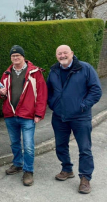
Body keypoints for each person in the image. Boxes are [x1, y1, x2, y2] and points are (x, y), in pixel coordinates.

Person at [47, 45, 102, 194]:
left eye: (65, 52)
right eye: (59, 53)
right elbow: (49, 91)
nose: (62, 55)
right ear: (56, 55)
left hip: (80, 117)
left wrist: (83, 105)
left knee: (84, 149)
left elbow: (96, 90)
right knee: (60, 145)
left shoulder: (85, 68)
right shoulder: (54, 71)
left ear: (72, 53)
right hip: (59, 117)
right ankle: (67, 169)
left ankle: (85, 178)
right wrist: (53, 104)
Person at [0, 45, 48, 186]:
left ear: (23, 57)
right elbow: (2, 93)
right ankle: (18, 164)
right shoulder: (6, 73)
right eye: (13, 56)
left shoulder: (35, 73)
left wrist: (39, 113)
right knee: (14, 143)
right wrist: (0, 93)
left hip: (28, 115)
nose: (15, 58)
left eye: (18, 55)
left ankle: (28, 171)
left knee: (29, 145)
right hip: (10, 114)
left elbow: (42, 94)